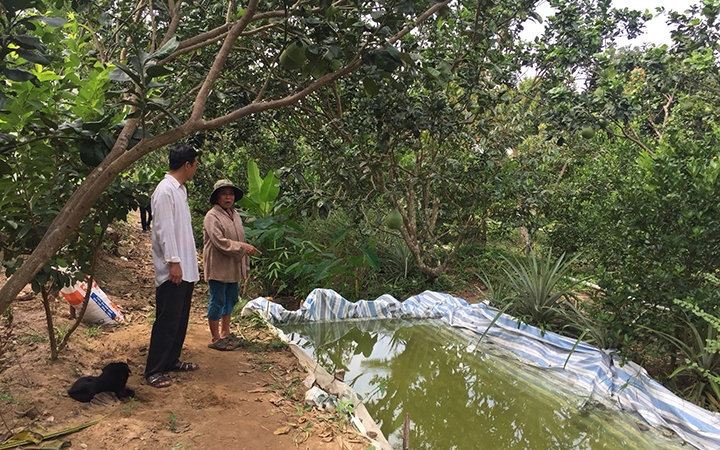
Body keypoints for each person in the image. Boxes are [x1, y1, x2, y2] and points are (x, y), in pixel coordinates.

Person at [144, 144, 201, 388]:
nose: (195, 169)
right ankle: (153, 369)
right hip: (174, 268)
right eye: (195, 164)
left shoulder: (180, 190)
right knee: (167, 319)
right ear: (187, 165)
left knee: (179, 318)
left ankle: (171, 360)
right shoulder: (165, 190)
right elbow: (163, 230)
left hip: (185, 266)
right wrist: (173, 262)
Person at [203, 179, 261, 351]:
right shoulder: (212, 216)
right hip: (218, 266)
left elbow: (239, 238)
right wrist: (243, 247)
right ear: (217, 197)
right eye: (224, 194)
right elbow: (220, 242)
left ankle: (225, 333)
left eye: (231, 194)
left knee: (230, 299)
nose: (228, 197)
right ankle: (214, 338)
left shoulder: (234, 214)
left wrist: (244, 260)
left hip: (233, 265)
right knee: (217, 299)